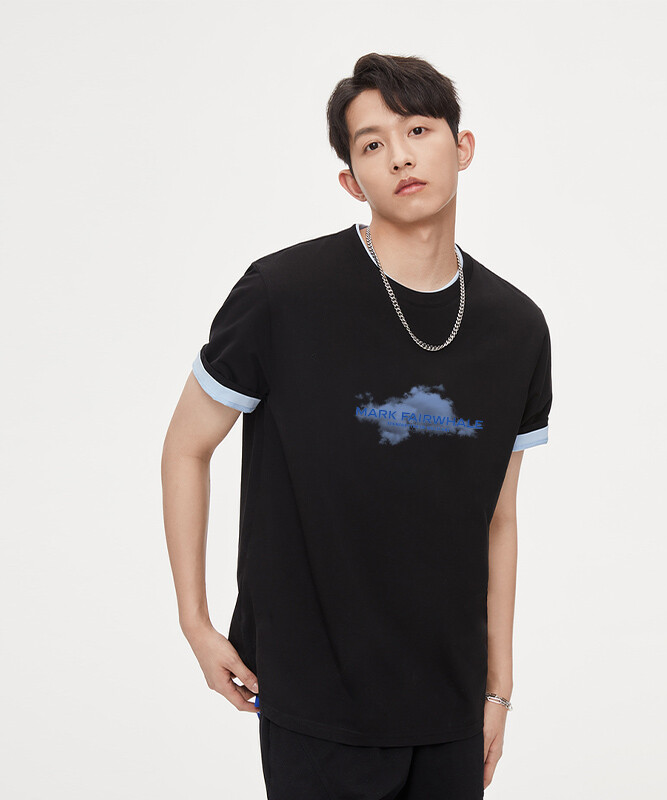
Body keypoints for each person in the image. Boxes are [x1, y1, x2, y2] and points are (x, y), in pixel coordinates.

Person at [161, 52, 552, 799]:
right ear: (351, 179)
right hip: (314, 699)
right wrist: (196, 623)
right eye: (372, 144)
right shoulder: (282, 294)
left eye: (418, 130)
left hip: (450, 704)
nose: (400, 155)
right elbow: (185, 447)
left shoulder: (517, 327)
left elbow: (499, 517)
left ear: (463, 147)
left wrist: (497, 690)